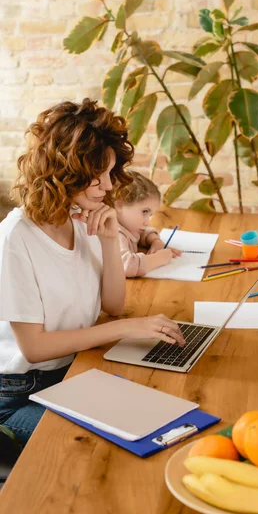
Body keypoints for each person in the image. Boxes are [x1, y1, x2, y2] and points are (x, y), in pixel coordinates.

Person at [0, 99, 186, 446]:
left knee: (159, 410)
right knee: (113, 440)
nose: (107, 187)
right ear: (64, 171)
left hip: (72, 371)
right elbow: (34, 347)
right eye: (95, 176)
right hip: (17, 395)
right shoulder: (16, 238)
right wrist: (129, 327)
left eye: (108, 174)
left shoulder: (80, 217)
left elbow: (113, 304)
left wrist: (109, 240)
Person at [115, 171, 182, 277]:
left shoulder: (129, 226)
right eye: (145, 212)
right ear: (120, 205)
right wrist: (159, 259)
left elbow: (141, 233)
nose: (147, 222)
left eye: (150, 215)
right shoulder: (114, 232)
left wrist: (155, 241)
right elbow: (125, 266)